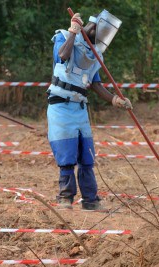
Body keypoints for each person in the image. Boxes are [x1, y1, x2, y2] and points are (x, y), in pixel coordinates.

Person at [47, 10, 132, 210]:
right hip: (60, 105)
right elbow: (62, 56)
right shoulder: (63, 36)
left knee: (87, 156)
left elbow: (95, 84)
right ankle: (65, 198)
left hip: (80, 107)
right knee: (66, 154)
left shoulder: (95, 54)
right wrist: (73, 32)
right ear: (94, 27)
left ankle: (90, 200)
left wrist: (115, 100)